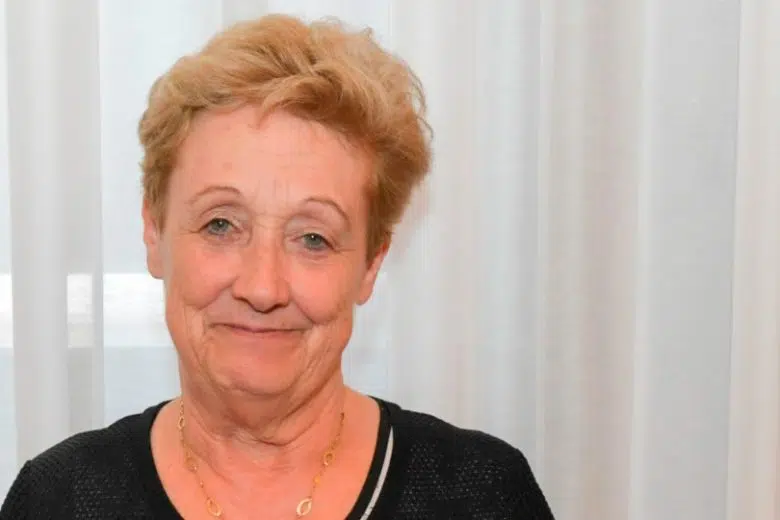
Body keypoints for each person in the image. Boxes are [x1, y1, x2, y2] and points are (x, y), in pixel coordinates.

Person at [0, 14, 554, 519]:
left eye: (313, 238)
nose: (262, 287)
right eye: (221, 224)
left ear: (371, 263)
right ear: (154, 232)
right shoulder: (56, 499)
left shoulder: (483, 495)